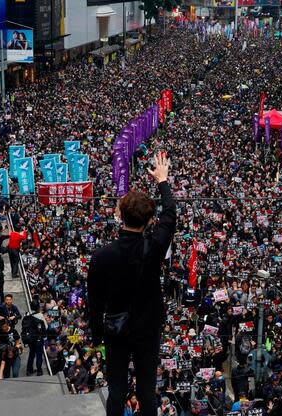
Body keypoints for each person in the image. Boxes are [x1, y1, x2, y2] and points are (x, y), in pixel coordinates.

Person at [88, 153, 176, 416]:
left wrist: (97, 337)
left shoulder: (102, 256)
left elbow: (95, 302)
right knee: (147, 389)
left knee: (117, 389)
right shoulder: (156, 245)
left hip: (116, 328)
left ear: (119, 215)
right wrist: (163, 180)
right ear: (150, 220)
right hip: (148, 327)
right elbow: (170, 215)